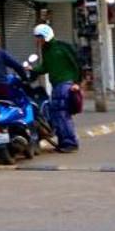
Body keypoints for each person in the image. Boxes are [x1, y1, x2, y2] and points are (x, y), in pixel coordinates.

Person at [34, 24, 80, 154]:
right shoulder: (46, 50)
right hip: (56, 85)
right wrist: (32, 69)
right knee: (56, 114)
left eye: (39, 37)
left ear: (45, 36)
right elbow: (45, 67)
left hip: (65, 84)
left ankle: (70, 143)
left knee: (62, 113)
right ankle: (63, 141)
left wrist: (77, 82)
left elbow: (76, 63)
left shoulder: (62, 47)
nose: (37, 40)